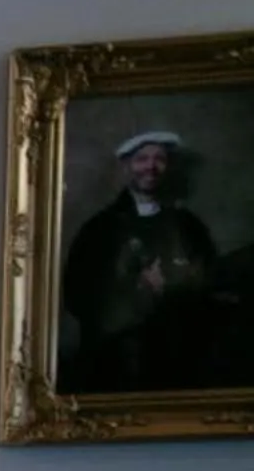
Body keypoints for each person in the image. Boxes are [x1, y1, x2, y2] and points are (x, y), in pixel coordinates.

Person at [59, 129, 232, 394]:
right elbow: (78, 294)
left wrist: (175, 287)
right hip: (117, 365)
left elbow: (210, 280)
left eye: (159, 159)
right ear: (127, 166)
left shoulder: (187, 226)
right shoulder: (99, 230)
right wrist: (136, 288)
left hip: (179, 358)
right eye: (142, 159)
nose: (151, 167)